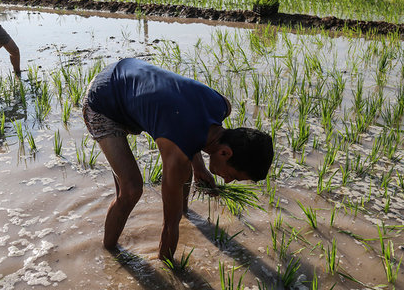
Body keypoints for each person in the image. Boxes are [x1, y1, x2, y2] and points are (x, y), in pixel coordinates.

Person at [82, 58, 274, 262]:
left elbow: (191, 123)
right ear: (225, 153)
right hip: (102, 100)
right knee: (130, 189)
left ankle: (184, 213)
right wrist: (170, 272)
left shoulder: (222, 105)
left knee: (185, 166)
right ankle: (109, 254)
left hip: (127, 74)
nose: (226, 181)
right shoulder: (176, 155)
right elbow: (168, 227)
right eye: (233, 176)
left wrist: (199, 165)